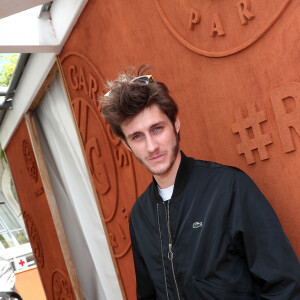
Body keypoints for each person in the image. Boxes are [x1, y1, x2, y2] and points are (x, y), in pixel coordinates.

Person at [101, 66, 300, 299]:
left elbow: (284, 284)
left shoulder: (228, 188)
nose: (151, 146)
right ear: (126, 144)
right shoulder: (140, 216)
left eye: (157, 129)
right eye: (137, 136)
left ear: (175, 124)